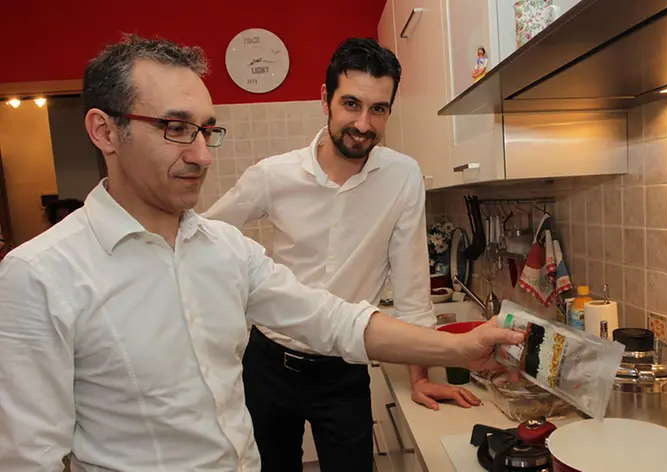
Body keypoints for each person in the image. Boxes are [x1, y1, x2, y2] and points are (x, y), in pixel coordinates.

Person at [0, 35, 524, 472]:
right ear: (104, 131)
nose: (203, 155)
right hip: (271, 365)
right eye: (177, 128)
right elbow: (29, 457)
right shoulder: (39, 274)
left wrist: (454, 350)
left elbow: (335, 320)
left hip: (332, 381)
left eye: (207, 131)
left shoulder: (223, 250)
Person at [204, 37, 479, 472]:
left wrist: (421, 376)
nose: (364, 123)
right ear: (325, 100)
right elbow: (205, 237)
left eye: (379, 109)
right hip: (269, 364)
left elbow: (411, 285)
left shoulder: (402, 176)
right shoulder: (274, 175)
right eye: (351, 103)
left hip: (344, 368)